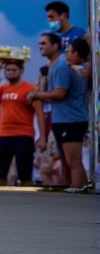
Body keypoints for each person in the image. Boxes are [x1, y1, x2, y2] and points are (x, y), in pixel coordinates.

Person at [30, 34, 89, 192]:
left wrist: (36, 95)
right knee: (67, 163)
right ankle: (77, 189)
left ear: (55, 45)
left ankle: (79, 191)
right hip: (62, 120)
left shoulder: (63, 65)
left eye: (44, 43)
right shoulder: (57, 65)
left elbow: (59, 94)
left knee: (73, 162)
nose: (40, 46)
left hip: (71, 120)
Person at [0, 56, 45, 187]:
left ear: (21, 71)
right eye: (8, 70)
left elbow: (40, 114)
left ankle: (27, 204)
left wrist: (42, 137)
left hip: (24, 135)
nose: (10, 72)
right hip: (3, 135)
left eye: (13, 70)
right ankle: (2, 203)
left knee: (25, 175)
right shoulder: (3, 89)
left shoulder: (30, 89)